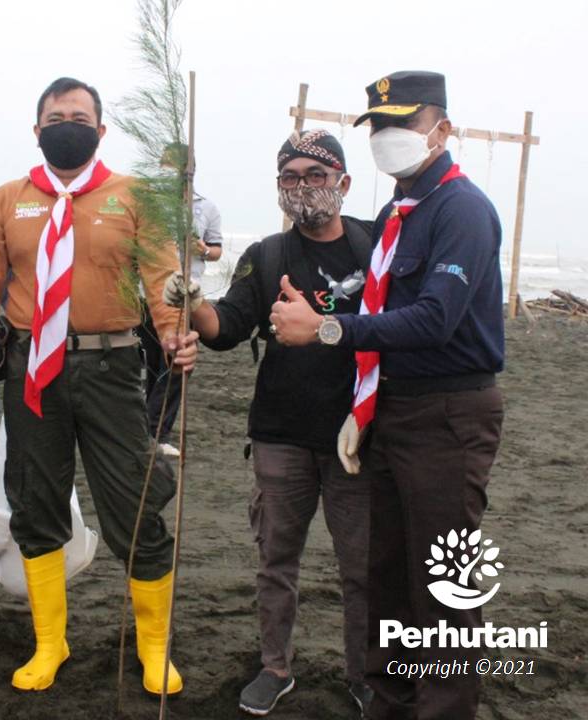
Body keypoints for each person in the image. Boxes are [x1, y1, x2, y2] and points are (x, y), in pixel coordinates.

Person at [0, 77, 199, 695]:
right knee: (35, 504)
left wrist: (174, 332)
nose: (67, 123)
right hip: (32, 370)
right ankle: (50, 642)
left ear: (100, 129)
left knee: (134, 508)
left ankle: (153, 648)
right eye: (55, 116)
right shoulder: (8, 201)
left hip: (111, 371)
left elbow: (164, 278)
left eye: (79, 116)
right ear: (37, 131)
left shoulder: (134, 195)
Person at [270, 71, 504, 720]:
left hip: (449, 415)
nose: (388, 138)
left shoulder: (461, 211)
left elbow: (435, 319)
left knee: (443, 588)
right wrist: (364, 405)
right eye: (378, 126)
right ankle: (391, 704)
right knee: (387, 579)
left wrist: (323, 328)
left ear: (443, 129)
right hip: (393, 411)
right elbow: (378, 304)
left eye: (403, 124)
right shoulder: (400, 214)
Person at [165, 129, 373, 716]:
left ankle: (363, 673)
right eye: (290, 177)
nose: (303, 187)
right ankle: (275, 666)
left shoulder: (375, 246)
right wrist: (193, 304)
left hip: (358, 435)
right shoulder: (267, 255)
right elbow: (228, 326)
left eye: (316, 175)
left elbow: (402, 326)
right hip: (280, 432)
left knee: (362, 564)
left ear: (343, 183)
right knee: (275, 560)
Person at [139, 142, 223, 458]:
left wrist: (201, 248)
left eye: (175, 168)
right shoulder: (149, 205)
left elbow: (216, 251)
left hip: (185, 296)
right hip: (148, 295)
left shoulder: (206, 208)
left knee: (178, 365)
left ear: (190, 172)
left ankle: (155, 431)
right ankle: (149, 429)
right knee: (154, 362)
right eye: (165, 167)